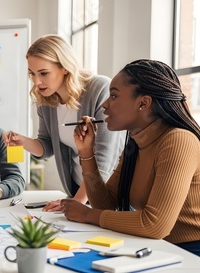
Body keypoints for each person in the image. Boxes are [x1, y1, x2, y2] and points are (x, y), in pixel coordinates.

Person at [62, 59, 200, 256]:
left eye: (114, 96)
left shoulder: (178, 140)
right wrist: (86, 153)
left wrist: (87, 214)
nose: (105, 104)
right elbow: (107, 204)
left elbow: (155, 225)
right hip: (158, 249)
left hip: (190, 255)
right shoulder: (136, 143)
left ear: (143, 103)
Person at [3, 34, 125, 210]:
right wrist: (24, 142)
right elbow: (47, 146)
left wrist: (77, 203)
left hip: (107, 194)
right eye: (32, 74)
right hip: (77, 190)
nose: (36, 82)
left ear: (65, 67)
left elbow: (105, 158)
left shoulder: (99, 89)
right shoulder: (46, 102)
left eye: (44, 73)